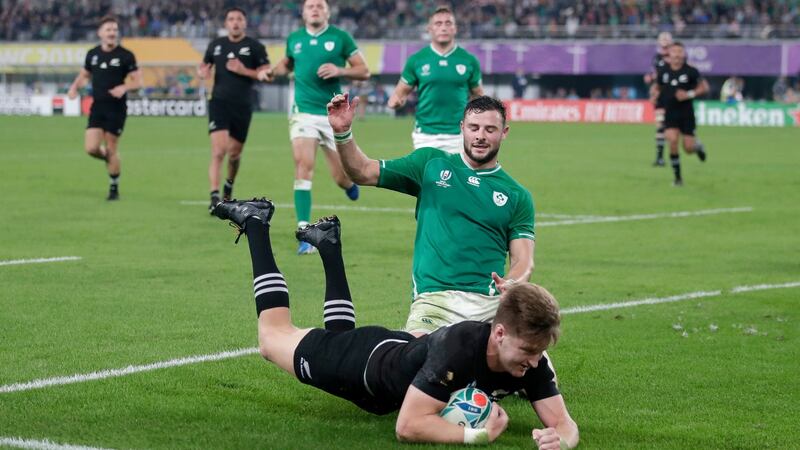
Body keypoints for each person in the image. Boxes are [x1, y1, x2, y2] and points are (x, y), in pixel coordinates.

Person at [210, 198, 579, 448]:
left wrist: (559, 439)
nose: (534, 361)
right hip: (365, 365)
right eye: (529, 351)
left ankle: (327, 244)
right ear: (499, 333)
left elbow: (565, 423)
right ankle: (256, 222)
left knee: (339, 337)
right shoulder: (460, 347)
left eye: (539, 352)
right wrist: (476, 435)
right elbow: (408, 426)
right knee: (272, 336)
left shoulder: (531, 359)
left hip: (400, 351)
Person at [329, 94, 535, 337]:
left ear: (504, 133)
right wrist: (343, 133)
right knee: (414, 361)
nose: (480, 136)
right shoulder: (430, 163)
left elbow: (523, 259)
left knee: (537, 369)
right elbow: (362, 172)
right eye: (474, 128)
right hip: (435, 300)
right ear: (462, 128)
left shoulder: (517, 195)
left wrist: (511, 283)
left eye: (490, 129)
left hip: (490, 304)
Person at [257, 0, 368, 254]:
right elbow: (286, 64)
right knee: (303, 166)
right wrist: (270, 72)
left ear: (327, 11)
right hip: (303, 113)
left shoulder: (340, 38)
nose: (315, 8)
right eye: (310, 6)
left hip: (333, 113)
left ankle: (349, 186)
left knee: (341, 177)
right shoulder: (295, 39)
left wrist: (339, 69)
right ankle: (305, 233)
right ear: (304, 12)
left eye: (320, 5)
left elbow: (363, 70)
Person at [198, 7, 270, 213]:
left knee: (234, 155)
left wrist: (243, 70)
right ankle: (214, 198)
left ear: (245, 23)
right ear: (226, 24)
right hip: (219, 102)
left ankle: (228, 187)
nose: (235, 22)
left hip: (242, 106)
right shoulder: (216, 45)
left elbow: (267, 74)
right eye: (231, 19)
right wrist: (202, 71)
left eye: (239, 19)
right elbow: (204, 67)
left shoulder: (255, 47)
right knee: (218, 151)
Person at [387, 6, 483, 154]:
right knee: (427, 177)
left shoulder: (469, 60)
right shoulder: (417, 60)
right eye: (438, 24)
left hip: (459, 135)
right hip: (425, 135)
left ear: (455, 28)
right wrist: (396, 100)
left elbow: (478, 95)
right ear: (429, 29)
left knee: (458, 177)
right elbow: (399, 93)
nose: (443, 27)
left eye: (448, 23)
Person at [68, 15, 142, 201]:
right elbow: (84, 75)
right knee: (91, 148)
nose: (112, 33)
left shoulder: (126, 55)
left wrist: (124, 87)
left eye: (115, 30)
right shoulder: (92, 54)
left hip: (116, 108)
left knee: (111, 147)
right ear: (100, 33)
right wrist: (74, 87)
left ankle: (113, 186)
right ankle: (110, 159)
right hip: (97, 106)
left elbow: (138, 81)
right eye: (108, 30)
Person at [653, 42, 709, 187]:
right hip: (670, 113)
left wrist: (689, 94)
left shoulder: (691, 71)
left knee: (688, 148)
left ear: (684, 54)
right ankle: (678, 179)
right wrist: (654, 95)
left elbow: (704, 88)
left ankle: (698, 147)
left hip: (686, 113)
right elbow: (657, 87)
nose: (677, 54)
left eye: (680, 52)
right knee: (672, 141)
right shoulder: (663, 71)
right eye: (674, 52)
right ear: (669, 54)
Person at [644, 31, 672, 167]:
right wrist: (650, 80)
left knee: (674, 128)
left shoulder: (676, 57)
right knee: (660, 126)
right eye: (662, 38)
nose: (665, 40)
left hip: (672, 95)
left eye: (667, 38)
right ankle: (660, 158)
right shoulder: (656, 58)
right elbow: (655, 75)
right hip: (660, 95)